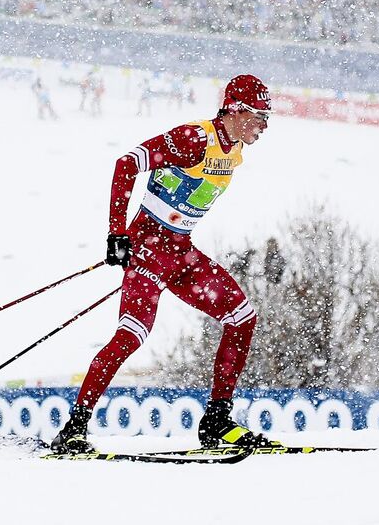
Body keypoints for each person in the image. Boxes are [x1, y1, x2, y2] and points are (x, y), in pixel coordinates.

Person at [50, 74, 275, 454]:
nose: (264, 127)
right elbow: (126, 165)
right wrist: (116, 234)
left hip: (181, 253)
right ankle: (74, 428)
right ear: (235, 110)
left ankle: (217, 421)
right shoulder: (195, 139)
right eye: (259, 117)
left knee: (242, 318)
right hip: (148, 251)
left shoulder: (234, 150)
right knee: (131, 336)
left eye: (267, 119)